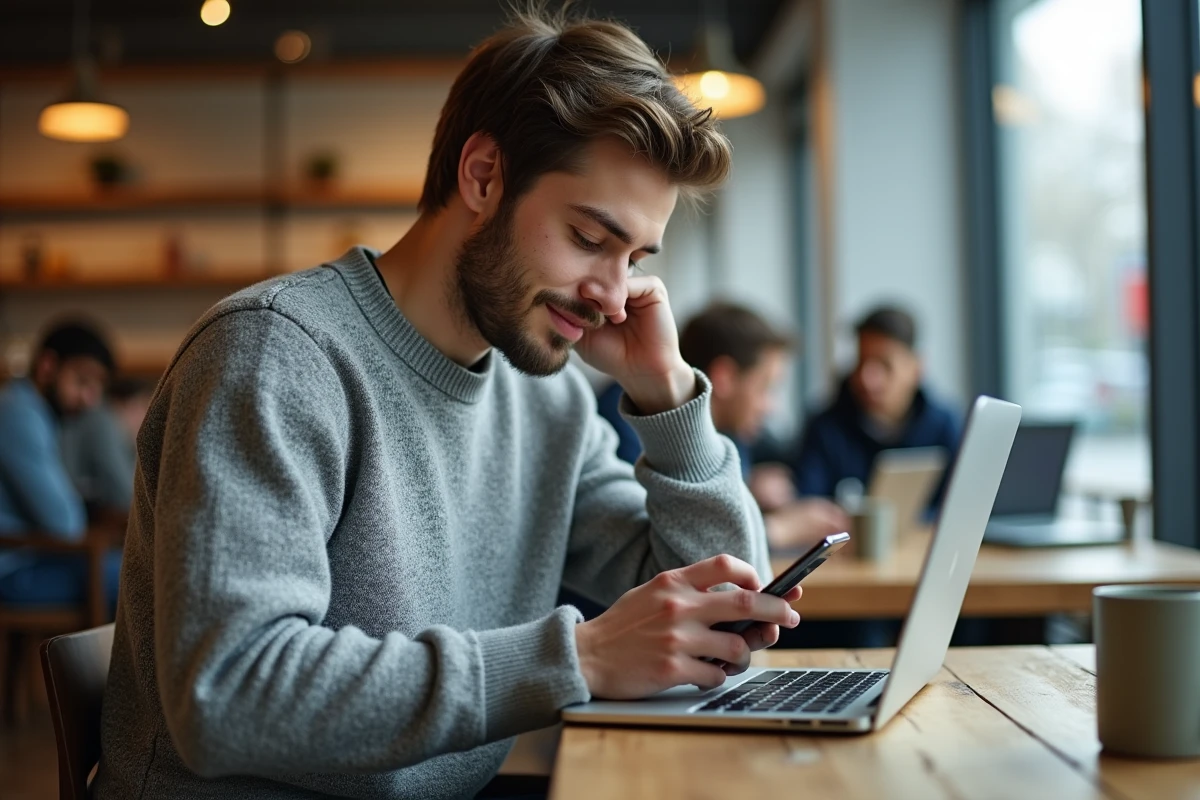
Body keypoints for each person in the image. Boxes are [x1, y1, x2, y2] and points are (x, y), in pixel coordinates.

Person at [96, 10, 800, 799]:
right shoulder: (275, 355)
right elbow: (227, 694)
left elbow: (726, 607)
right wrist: (583, 658)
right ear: (483, 176)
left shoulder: (550, 402)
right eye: (588, 237)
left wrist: (667, 398)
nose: (612, 296)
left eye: (635, 257)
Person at [598, 302, 848, 549]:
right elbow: (661, 536)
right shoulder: (632, 412)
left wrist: (750, 490)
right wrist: (779, 529)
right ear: (725, 377)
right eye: (765, 387)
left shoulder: (730, 431)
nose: (771, 407)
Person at [790, 304, 961, 510]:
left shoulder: (945, 425)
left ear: (916, 368)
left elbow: (960, 505)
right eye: (862, 362)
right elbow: (807, 505)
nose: (867, 379)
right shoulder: (825, 427)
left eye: (885, 365)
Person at [0, 320, 122, 610]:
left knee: (138, 569)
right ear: (47, 366)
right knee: (145, 577)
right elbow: (65, 524)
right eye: (82, 381)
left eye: (96, 388)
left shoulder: (30, 412)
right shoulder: (17, 414)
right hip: (13, 569)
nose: (89, 399)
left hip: (28, 559)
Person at [60, 376, 153, 515]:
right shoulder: (103, 422)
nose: (148, 421)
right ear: (127, 405)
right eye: (145, 408)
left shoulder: (101, 421)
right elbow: (128, 497)